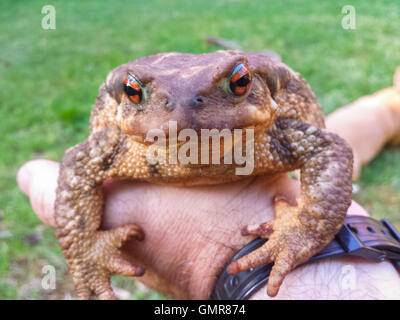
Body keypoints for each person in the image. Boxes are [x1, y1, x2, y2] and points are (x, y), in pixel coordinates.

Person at [17, 69, 400, 300]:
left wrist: (306, 231)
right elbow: (76, 167)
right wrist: (85, 247)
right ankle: (388, 109)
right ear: (122, 101)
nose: (185, 109)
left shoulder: (272, 133)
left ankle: (388, 109)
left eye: (235, 84)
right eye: (136, 93)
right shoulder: (118, 142)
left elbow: (328, 150)